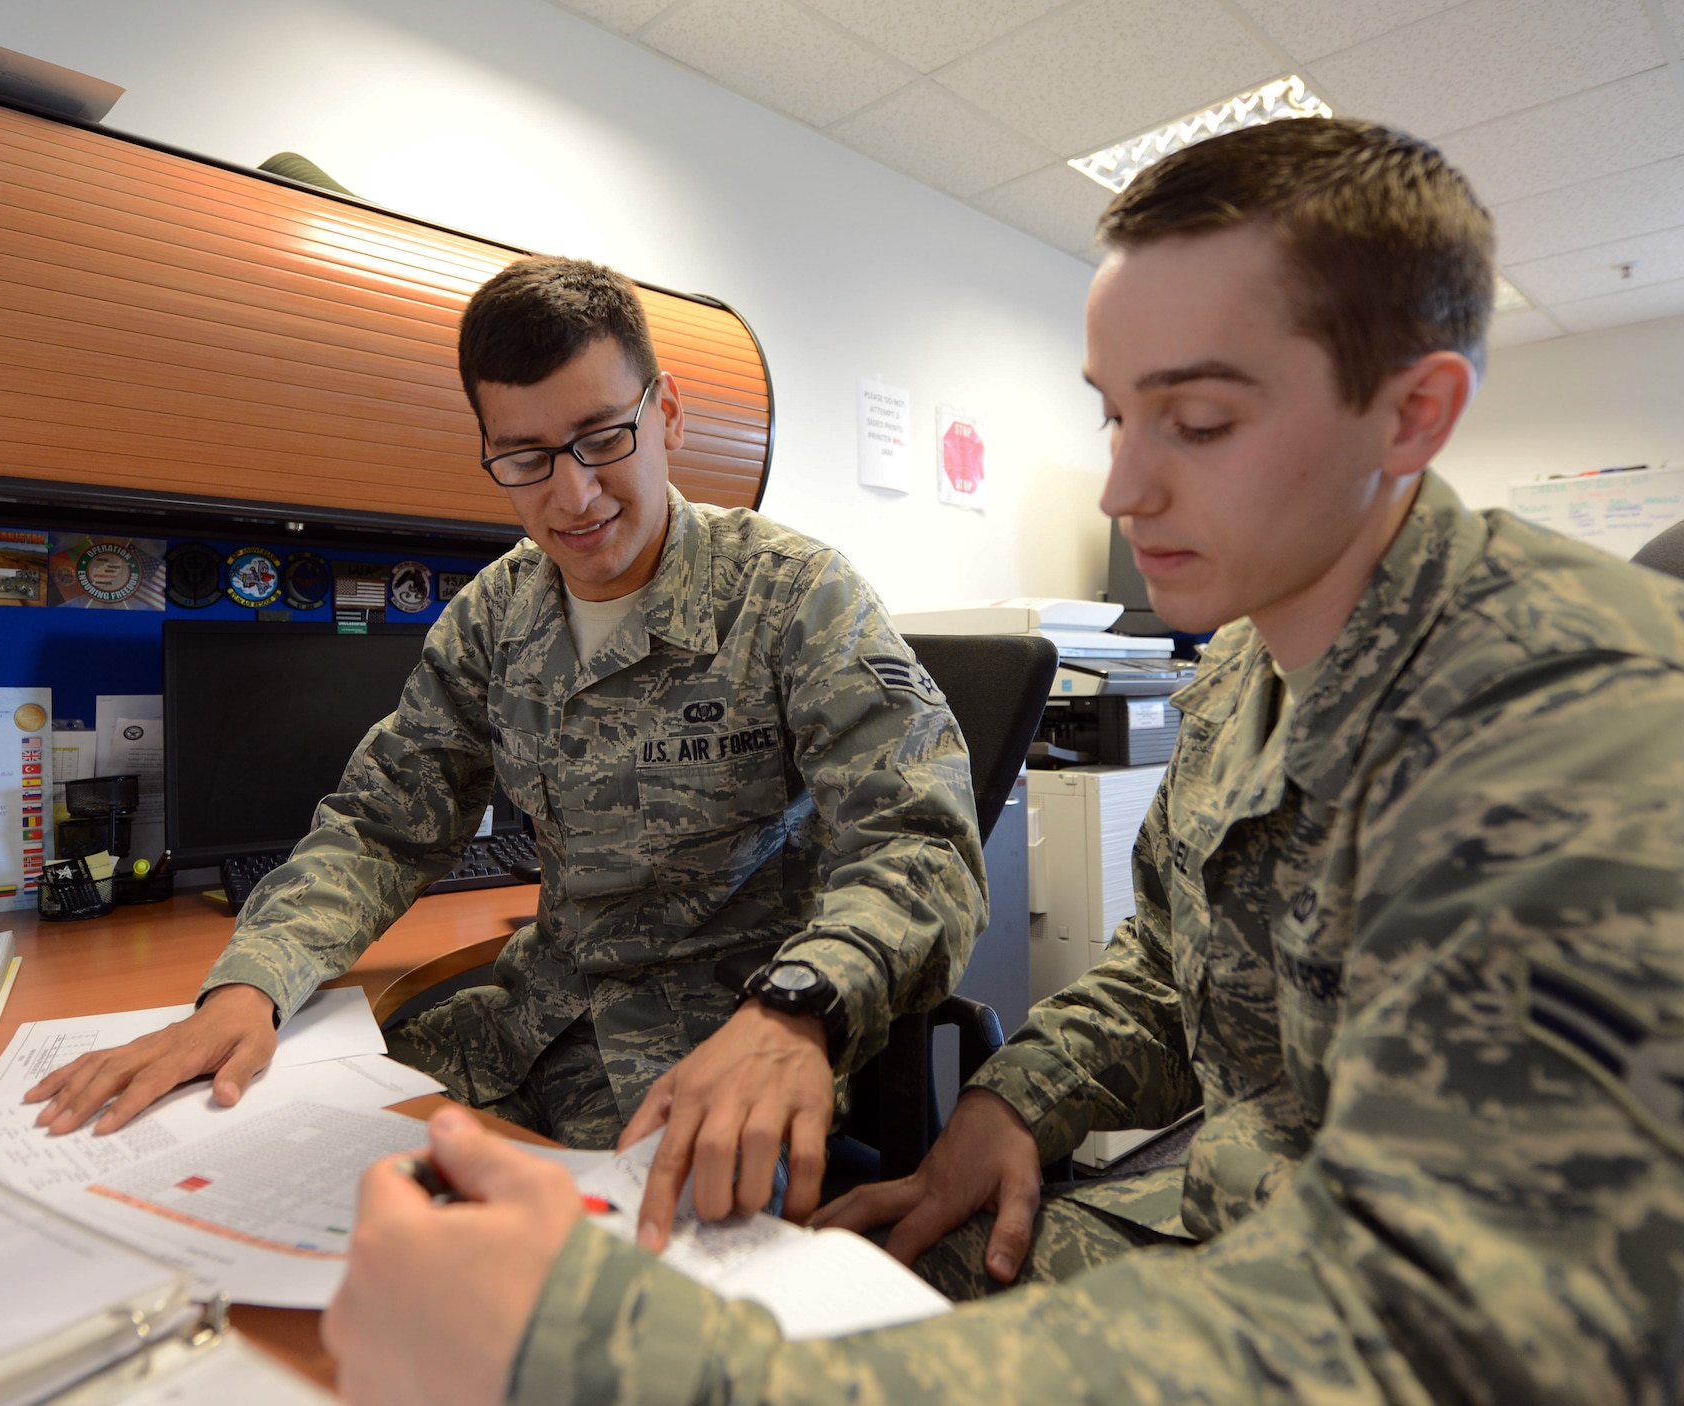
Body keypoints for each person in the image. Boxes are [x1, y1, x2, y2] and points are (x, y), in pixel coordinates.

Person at [321, 118, 1684, 1404]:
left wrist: (619, 1360)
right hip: (1225, 1207)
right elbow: (1176, 965)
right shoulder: (1246, 670)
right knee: (871, 1274)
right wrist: (1019, 1102)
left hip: (1395, 1302)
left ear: (1412, 413)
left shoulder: (1578, 712)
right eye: (1114, 415)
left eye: (1197, 422)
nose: (1121, 488)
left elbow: (1454, 1326)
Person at [26, 255, 987, 1232]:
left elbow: (919, 841)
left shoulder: (791, 594)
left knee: (595, 1311)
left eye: (601, 438)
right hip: (526, 1021)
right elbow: (383, 820)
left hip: (717, 1054)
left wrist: (795, 1007)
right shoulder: (497, 611)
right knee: (237, 1154)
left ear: (666, 416)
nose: (571, 495)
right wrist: (250, 981)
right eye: (524, 456)